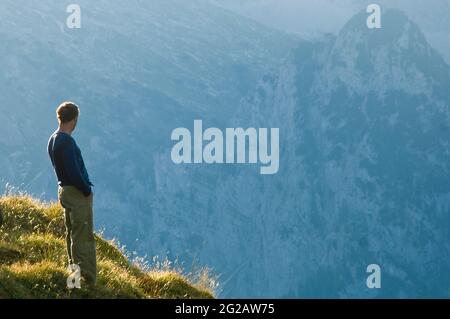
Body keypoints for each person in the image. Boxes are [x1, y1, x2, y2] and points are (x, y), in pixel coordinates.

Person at [47, 101, 96, 287]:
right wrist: (87, 190)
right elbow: (74, 171)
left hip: (63, 190)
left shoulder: (53, 139)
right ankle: (87, 280)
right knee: (83, 236)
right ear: (74, 119)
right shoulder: (67, 141)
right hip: (75, 193)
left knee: (72, 234)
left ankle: (74, 278)